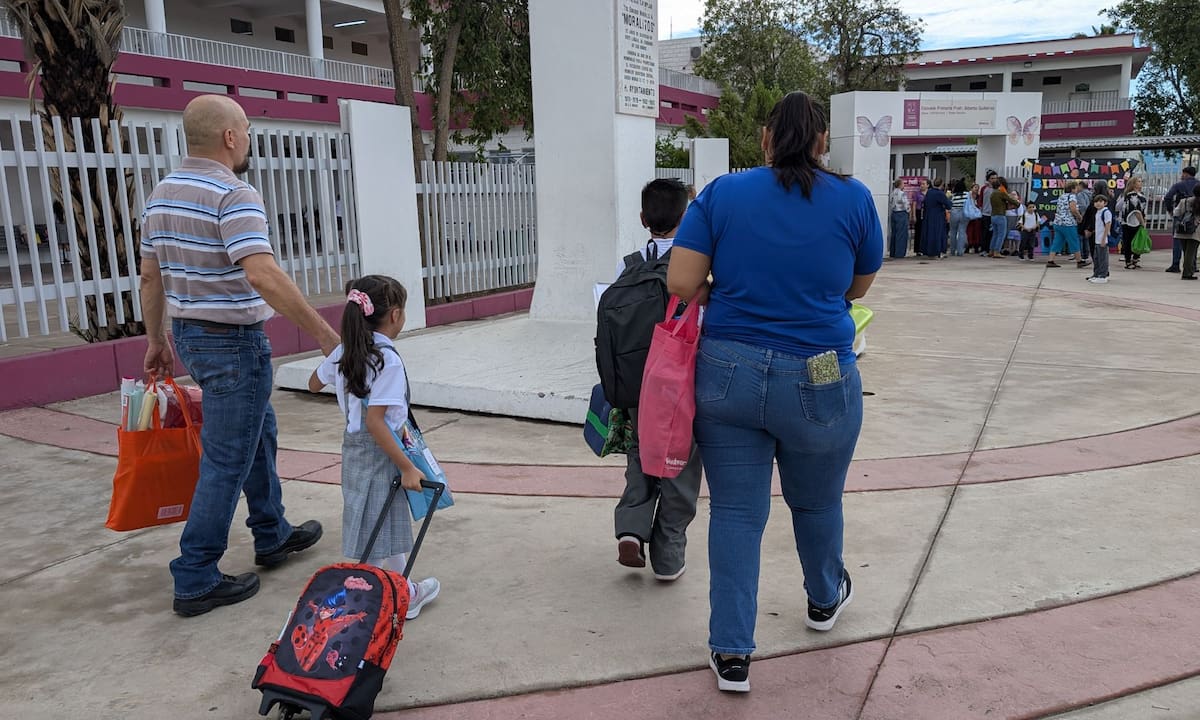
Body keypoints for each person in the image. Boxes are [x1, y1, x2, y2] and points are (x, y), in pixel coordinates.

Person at [665, 91, 881, 694]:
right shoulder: (855, 199)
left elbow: (682, 281)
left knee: (736, 512)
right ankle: (822, 599)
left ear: (765, 138)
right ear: (820, 143)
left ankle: (732, 651)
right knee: (816, 502)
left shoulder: (723, 193)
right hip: (820, 372)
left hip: (728, 371)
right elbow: (857, 288)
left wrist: (728, 296)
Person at [140, 95, 340, 617]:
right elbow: (261, 272)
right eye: (247, 129)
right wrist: (323, 332)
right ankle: (196, 575)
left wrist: (156, 340)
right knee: (227, 457)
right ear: (230, 137)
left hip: (190, 336)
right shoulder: (234, 193)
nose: (249, 137)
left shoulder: (162, 194)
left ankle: (272, 532)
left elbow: (151, 275)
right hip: (232, 342)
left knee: (257, 432)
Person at [308, 275, 441, 619]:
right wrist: (408, 466)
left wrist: (340, 367)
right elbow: (376, 422)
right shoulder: (387, 359)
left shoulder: (346, 351)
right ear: (395, 315)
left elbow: (313, 383)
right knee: (375, 533)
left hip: (354, 451)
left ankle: (404, 592)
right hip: (382, 452)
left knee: (384, 523)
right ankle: (369, 604)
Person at [612, 178, 703, 581]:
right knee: (678, 460)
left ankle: (631, 527)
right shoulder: (694, 270)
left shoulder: (628, 265)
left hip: (637, 383)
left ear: (643, 218)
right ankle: (667, 555)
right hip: (681, 381)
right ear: (686, 219)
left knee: (640, 453)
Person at [1162, 166, 1198, 273]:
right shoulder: (1198, 184)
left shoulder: (1179, 185)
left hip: (1181, 215)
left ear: (1186, 174)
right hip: (1196, 216)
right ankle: (1193, 265)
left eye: (1183, 174)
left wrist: (1170, 210)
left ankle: (1175, 265)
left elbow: (1168, 197)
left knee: (1178, 239)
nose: (1182, 176)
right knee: (1194, 241)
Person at [1045, 181, 1084, 268]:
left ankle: (1050, 260)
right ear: (1073, 189)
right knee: (1074, 241)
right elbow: (1073, 209)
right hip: (1068, 223)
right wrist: (1079, 216)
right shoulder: (1072, 196)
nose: (1077, 189)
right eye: (1076, 187)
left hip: (1058, 222)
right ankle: (1079, 260)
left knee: (1057, 241)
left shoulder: (1061, 196)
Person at [1171, 185, 1200, 281]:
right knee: (1191, 253)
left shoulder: (1184, 201)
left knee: (1186, 251)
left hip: (1182, 229)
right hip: (1195, 230)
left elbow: (1176, 213)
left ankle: (1189, 271)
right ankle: (1187, 273)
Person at [1120, 176, 1147, 270]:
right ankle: (1128, 261)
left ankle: (1135, 259)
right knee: (1129, 242)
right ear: (1133, 184)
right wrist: (1142, 222)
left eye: (1141, 181)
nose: (1140, 183)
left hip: (1136, 221)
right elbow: (1136, 211)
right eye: (1138, 181)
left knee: (1138, 240)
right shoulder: (1132, 195)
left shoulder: (1140, 195)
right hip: (1130, 222)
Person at [920, 177, 951, 258]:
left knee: (929, 233)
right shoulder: (940, 193)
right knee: (938, 233)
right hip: (938, 216)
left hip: (928, 215)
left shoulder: (929, 192)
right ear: (941, 184)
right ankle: (937, 251)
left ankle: (927, 250)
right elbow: (948, 204)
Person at [1087, 195, 1113, 284]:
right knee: (1097, 258)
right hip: (1097, 239)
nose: (1098, 203)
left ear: (1105, 203)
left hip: (1102, 239)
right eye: (1096, 201)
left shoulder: (1106, 212)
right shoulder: (1098, 212)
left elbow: (1107, 224)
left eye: (1100, 201)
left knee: (1103, 258)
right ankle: (1096, 274)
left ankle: (1103, 275)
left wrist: (1103, 238)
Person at [888, 179, 910, 258]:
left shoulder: (892, 193)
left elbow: (890, 202)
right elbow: (905, 204)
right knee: (901, 234)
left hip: (894, 213)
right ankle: (899, 253)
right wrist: (908, 211)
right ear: (900, 185)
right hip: (901, 213)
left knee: (894, 233)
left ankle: (893, 252)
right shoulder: (902, 193)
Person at [947, 179, 969, 256]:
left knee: (953, 232)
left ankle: (952, 250)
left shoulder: (953, 195)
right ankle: (960, 251)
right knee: (962, 231)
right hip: (964, 213)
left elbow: (950, 205)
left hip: (954, 213)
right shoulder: (967, 194)